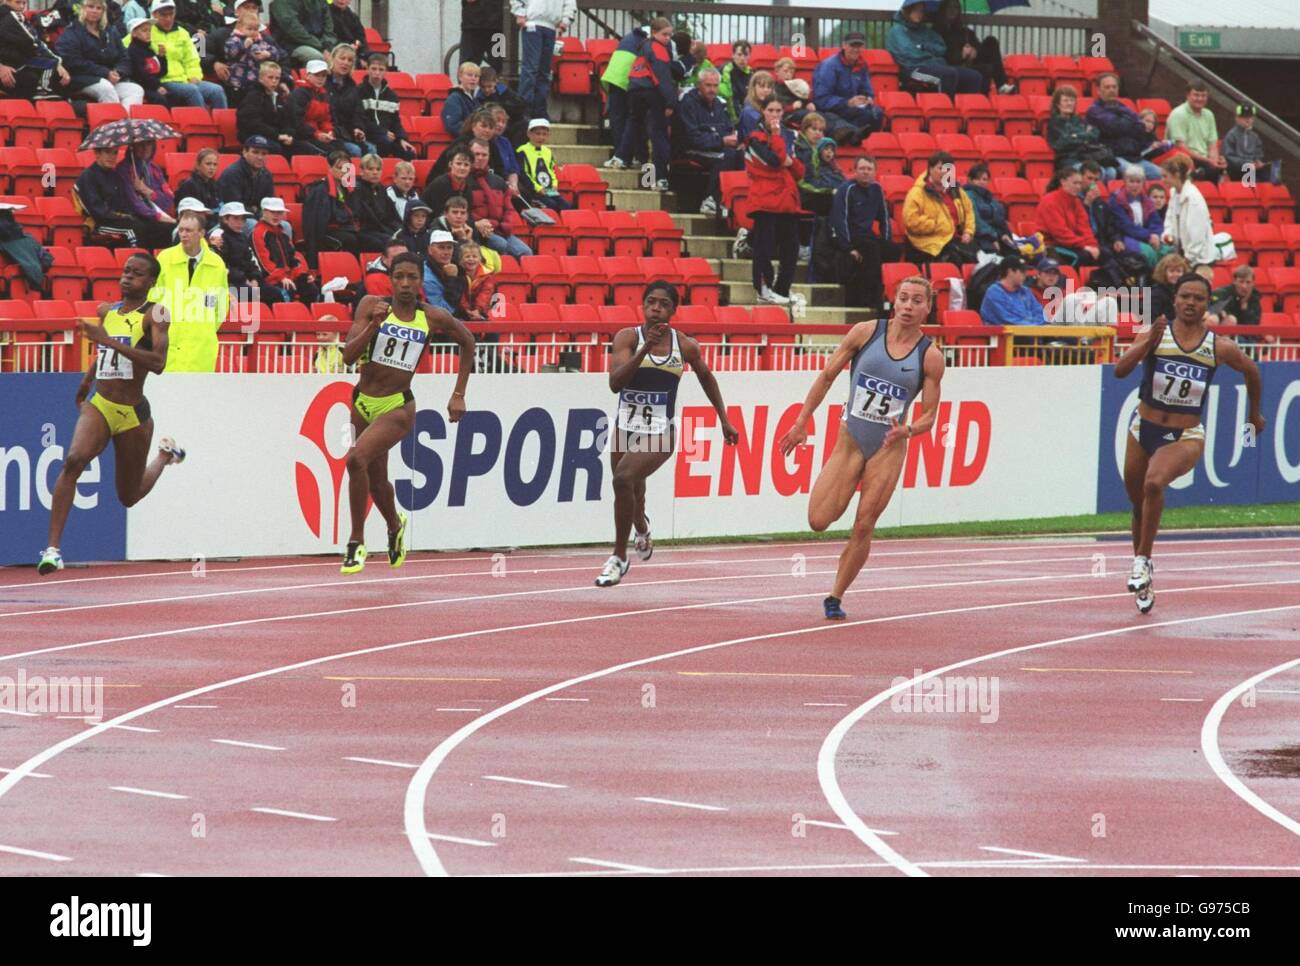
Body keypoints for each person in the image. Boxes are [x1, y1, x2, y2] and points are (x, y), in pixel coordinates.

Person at [778, 275, 945, 620]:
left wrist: (909, 430)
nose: (909, 306)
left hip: (888, 447)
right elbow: (826, 376)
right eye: (903, 298)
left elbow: (931, 415)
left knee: (864, 523)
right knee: (819, 520)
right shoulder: (866, 332)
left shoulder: (930, 356)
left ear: (928, 308)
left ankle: (835, 596)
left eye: (917, 301)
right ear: (893, 301)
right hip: (851, 439)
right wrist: (801, 421)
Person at [1113, 273, 1263, 613]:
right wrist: (1146, 342)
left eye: (1198, 297)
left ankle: (1143, 562)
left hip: (1185, 435)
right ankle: (1144, 577)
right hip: (1142, 429)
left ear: (1207, 303)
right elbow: (1120, 371)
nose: (1191, 303)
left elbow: (1251, 370)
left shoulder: (1217, 346)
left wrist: (1255, 415)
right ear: (1175, 300)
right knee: (1138, 505)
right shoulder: (1155, 334)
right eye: (1185, 296)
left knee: (1154, 483)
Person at [37, 253, 184, 576]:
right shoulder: (108, 311)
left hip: (133, 413)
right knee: (74, 459)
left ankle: (163, 455)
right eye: (126, 270)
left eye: (137, 273)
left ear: (151, 282)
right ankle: (52, 550)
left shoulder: (156, 314)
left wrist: (109, 343)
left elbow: (158, 363)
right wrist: (87, 380)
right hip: (101, 403)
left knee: (128, 497)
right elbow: (104, 351)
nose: (128, 276)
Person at [338, 253, 475, 574]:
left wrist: (458, 394)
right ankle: (394, 526)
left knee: (355, 460)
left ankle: (356, 543)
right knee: (376, 479)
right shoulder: (370, 304)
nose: (405, 284)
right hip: (361, 402)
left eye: (412, 277)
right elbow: (347, 357)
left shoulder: (432, 317)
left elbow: (468, 341)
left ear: (420, 280)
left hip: (398, 406)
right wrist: (374, 324)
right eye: (399, 276)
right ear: (390, 278)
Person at [597, 281, 738, 586]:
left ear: (673, 310)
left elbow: (706, 377)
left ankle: (618, 558)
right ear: (643, 306)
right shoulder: (627, 337)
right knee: (633, 492)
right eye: (650, 302)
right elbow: (615, 383)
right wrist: (644, 349)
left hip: (661, 431)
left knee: (623, 478)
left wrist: (723, 419)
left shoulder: (685, 345)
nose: (656, 308)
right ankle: (641, 527)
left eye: (663, 304)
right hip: (625, 427)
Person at [152, 209, 229, 372]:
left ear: (201, 233)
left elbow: (221, 306)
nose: (183, 234)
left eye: (189, 230)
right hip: (168, 344)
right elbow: (153, 298)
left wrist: (203, 329)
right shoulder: (165, 258)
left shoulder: (217, 264)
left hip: (202, 348)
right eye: (181, 230)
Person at [746, 96, 804, 306]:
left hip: (787, 201)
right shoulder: (755, 137)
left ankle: (781, 290)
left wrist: (787, 159)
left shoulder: (789, 136)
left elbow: (798, 170)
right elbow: (773, 161)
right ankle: (764, 289)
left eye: (779, 110)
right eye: (771, 110)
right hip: (765, 201)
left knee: (791, 248)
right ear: (763, 111)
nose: (775, 115)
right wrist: (780, 143)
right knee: (765, 247)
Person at [608, 16, 674, 191]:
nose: (668, 38)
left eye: (670, 35)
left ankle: (621, 156)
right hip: (651, 92)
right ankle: (659, 178)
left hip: (634, 89)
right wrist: (670, 102)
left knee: (634, 123)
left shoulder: (642, 46)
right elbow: (663, 77)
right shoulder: (659, 49)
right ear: (654, 33)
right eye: (665, 34)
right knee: (658, 134)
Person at [830, 155, 899, 308]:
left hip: (867, 235)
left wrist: (887, 240)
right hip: (852, 236)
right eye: (862, 169)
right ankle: (872, 298)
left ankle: (889, 294)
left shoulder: (877, 189)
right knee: (871, 250)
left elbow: (884, 217)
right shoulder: (847, 190)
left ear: (875, 172)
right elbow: (840, 220)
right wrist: (848, 248)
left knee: (893, 250)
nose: (865, 172)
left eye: (869, 169)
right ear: (854, 171)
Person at [75, 146, 175, 248]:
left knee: (163, 228)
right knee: (134, 230)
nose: (112, 157)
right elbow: (98, 211)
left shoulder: (115, 175)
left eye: (115, 153)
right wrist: (123, 217)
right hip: (100, 223)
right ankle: (135, 261)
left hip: (122, 220)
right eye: (107, 152)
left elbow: (124, 203)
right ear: (97, 154)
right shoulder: (88, 176)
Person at [677, 68, 740, 217]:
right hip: (690, 149)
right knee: (724, 157)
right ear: (699, 85)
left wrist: (731, 138)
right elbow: (692, 137)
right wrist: (721, 140)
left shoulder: (720, 104)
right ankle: (710, 199)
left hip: (715, 147)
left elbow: (728, 129)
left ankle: (731, 202)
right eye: (708, 85)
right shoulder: (688, 103)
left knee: (739, 154)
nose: (712, 90)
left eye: (715, 85)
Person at [55, 0, 142, 105]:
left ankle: (127, 121)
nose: (94, 11)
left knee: (135, 90)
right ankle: (113, 121)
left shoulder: (111, 31)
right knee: (106, 88)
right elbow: (73, 62)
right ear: (83, 9)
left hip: (109, 77)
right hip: (80, 78)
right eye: (90, 7)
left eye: (99, 8)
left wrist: (118, 71)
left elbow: (124, 57)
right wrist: (105, 72)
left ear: (103, 12)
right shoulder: (71, 32)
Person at [886, 0, 981, 96]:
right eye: (916, 10)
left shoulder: (924, 31)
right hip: (913, 69)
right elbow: (910, 54)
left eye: (921, 11)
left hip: (934, 65)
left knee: (974, 76)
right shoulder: (898, 31)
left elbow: (941, 48)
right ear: (907, 10)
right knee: (947, 74)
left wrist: (923, 47)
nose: (919, 14)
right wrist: (929, 53)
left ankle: (966, 108)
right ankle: (945, 108)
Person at [902, 150, 976, 265]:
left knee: (980, 260)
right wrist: (938, 225)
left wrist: (968, 232)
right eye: (940, 168)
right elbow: (911, 222)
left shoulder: (956, 190)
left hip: (955, 240)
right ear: (930, 169)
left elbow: (969, 211)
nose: (944, 172)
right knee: (956, 260)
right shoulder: (917, 193)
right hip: (930, 243)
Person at [148, 0, 227, 108]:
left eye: (171, 14)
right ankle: (202, 123)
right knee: (192, 90)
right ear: (154, 14)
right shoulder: (146, 31)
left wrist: (194, 76)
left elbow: (192, 60)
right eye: (163, 15)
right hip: (163, 80)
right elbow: (127, 45)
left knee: (217, 90)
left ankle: (222, 124)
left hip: (185, 79)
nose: (168, 18)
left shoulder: (183, 33)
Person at [1086, 73, 1161, 180]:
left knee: (1158, 174)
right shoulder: (1094, 110)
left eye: (1114, 87)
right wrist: (1130, 124)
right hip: (1113, 157)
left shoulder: (1123, 107)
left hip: (1133, 156)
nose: (1111, 90)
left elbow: (1140, 127)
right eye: (1107, 87)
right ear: (1098, 90)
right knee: (1135, 175)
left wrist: (1128, 125)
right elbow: (1115, 127)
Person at [812, 31, 884, 140]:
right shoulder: (829, 66)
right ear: (844, 45)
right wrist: (847, 102)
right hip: (831, 111)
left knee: (876, 113)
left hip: (853, 109)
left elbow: (867, 91)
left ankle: (856, 138)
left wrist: (867, 99)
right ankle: (852, 137)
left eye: (859, 46)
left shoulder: (862, 65)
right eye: (852, 45)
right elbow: (821, 99)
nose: (855, 49)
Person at [511, 0, 574, 121]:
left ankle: (538, 110)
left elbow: (570, 2)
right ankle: (524, 110)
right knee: (531, 69)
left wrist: (565, 19)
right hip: (533, 23)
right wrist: (520, 12)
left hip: (549, 27)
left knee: (543, 71)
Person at [467, 138, 530, 257]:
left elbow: (509, 209)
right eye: (477, 154)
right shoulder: (463, 180)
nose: (480, 158)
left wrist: (505, 226)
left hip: (500, 230)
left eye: (484, 155)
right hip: (478, 230)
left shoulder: (498, 181)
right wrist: (476, 223)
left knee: (526, 252)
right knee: (500, 245)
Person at [931, 0, 1010, 94]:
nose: (953, 10)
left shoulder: (965, 32)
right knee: (985, 69)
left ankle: (1002, 86)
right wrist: (961, 55)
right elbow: (943, 55)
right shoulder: (937, 32)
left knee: (991, 41)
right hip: (953, 66)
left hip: (971, 63)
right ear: (944, 9)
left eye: (956, 7)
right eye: (949, 7)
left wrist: (974, 51)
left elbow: (978, 46)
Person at [0, 0, 72, 100]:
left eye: (24, 3)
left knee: (59, 73)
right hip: (11, 66)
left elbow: (34, 42)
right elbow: (33, 42)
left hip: (14, 64)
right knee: (32, 78)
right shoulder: (12, 16)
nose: (21, 7)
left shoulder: (15, 16)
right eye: (18, 2)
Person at [252, 194, 318, 303]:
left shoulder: (283, 235)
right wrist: (281, 277)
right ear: (264, 212)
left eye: (280, 213)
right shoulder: (258, 233)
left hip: (287, 276)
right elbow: (264, 262)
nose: (276, 216)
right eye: (272, 212)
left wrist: (302, 274)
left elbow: (293, 258)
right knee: (286, 292)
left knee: (311, 288)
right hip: (269, 279)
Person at [599, 23, 650, 155]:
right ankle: (632, 155)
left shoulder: (630, 37)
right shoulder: (649, 42)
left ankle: (619, 155)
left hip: (613, 79)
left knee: (618, 120)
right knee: (633, 119)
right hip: (629, 81)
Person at [223, 0, 288, 104]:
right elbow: (231, 54)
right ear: (239, 27)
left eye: (255, 29)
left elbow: (277, 53)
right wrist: (244, 47)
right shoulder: (234, 39)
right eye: (249, 29)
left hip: (257, 83)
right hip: (239, 84)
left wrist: (268, 54)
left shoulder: (260, 41)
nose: (253, 32)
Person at [1034, 165, 1099, 267]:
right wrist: (1085, 246)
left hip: (1071, 244)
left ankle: (1095, 282)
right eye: (1075, 183)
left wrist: (1092, 245)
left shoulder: (1076, 202)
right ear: (1063, 182)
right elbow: (1060, 233)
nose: (1078, 187)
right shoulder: (1050, 201)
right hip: (1051, 245)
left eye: (1080, 183)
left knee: (1105, 254)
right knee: (1082, 257)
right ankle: (1071, 283)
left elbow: (1085, 227)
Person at [1106, 164, 1170, 267]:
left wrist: (1155, 235)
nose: (1135, 185)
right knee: (1149, 253)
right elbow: (1126, 226)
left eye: (1138, 182)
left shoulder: (1146, 200)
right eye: (1131, 181)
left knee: (1168, 250)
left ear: (1143, 183)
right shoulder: (1116, 200)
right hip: (1125, 236)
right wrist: (1149, 235)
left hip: (1147, 235)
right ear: (1125, 181)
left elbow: (1156, 221)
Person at [290, 58, 356, 156]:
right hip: (303, 137)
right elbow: (297, 122)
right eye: (317, 75)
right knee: (333, 155)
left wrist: (329, 132)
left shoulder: (324, 95)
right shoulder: (299, 93)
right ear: (308, 75)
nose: (321, 78)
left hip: (319, 136)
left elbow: (327, 120)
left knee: (344, 151)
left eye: (324, 75)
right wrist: (316, 134)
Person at [1160, 153, 1215, 271]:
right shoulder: (1174, 193)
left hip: (1199, 260)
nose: (1162, 180)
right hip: (1182, 254)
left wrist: (1186, 260)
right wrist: (1168, 235)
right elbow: (1169, 219)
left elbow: (1197, 236)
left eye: (1165, 176)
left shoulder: (1193, 199)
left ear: (1177, 175)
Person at [1046, 84, 1112, 178]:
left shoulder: (1079, 120)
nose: (1069, 103)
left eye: (1072, 100)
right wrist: (1084, 135)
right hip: (1068, 160)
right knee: (1096, 173)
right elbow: (1063, 143)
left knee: (1111, 171)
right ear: (1058, 104)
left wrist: (1075, 136)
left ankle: (1099, 191)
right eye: (1065, 100)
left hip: (1086, 157)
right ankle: (1088, 191)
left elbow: (1095, 134)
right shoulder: (1055, 123)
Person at [1165, 82, 1226, 183]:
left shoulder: (1209, 115)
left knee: (1225, 166)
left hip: (1204, 159)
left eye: (1203, 96)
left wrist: (1214, 160)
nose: (1200, 99)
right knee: (1212, 170)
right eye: (1196, 95)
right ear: (1188, 95)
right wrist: (1208, 161)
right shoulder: (1178, 114)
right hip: (1185, 158)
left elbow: (1212, 145)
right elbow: (1180, 146)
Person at [359, 53, 414, 160]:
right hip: (368, 134)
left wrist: (402, 139)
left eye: (381, 69)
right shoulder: (359, 91)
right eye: (373, 69)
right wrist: (382, 131)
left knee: (408, 153)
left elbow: (396, 121)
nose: (377, 73)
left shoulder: (392, 96)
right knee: (384, 143)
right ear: (367, 69)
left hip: (387, 136)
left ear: (386, 71)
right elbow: (361, 119)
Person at [236, 60, 298, 155]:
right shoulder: (253, 96)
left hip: (275, 137)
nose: (274, 81)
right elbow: (252, 124)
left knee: (303, 147)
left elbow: (288, 120)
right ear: (260, 78)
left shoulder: (279, 96)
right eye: (270, 77)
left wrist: (289, 135)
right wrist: (277, 136)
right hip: (253, 137)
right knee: (276, 148)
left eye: (277, 78)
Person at [516, 116, 574, 212]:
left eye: (544, 134)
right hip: (534, 191)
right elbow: (523, 174)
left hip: (549, 190)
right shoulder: (522, 150)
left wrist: (555, 184)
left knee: (567, 206)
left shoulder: (547, 151)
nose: (541, 137)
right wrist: (538, 188)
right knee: (552, 206)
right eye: (537, 134)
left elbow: (551, 170)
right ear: (529, 134)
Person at [218, 135, 276, 228]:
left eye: (264, 154)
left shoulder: (266, 174)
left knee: (284, 225)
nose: (260, 157)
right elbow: (235, 207)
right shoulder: (232, 174)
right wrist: (256, 211)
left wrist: (262, 214)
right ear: (244, 152)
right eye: (255, 152)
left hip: (257, 216)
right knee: (252, 224)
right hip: (233, 218)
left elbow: (269, 204)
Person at [119, 138, 175, 229]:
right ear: (132, 147)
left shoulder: (154, 168)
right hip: (138, 219)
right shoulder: (124, 170)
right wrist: (158, 217)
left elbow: (169, 199)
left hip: (160, 215)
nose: (145, 148)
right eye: (140, 144)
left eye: (149, 143)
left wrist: (147, 191)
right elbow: (134, 204)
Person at [327, 43, 371, 157]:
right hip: (331, 133)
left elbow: (358, 113)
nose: (346, 63)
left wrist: (358, 128)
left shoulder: (353, 87)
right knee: (355, 150)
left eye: (350, 60)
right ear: (333, 59)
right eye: (342, 58)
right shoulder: (323, 82)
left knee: (372, 150)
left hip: (348, 134)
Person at [209, 201, 260, 294]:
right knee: (250, 295)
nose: (240, 222)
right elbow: (221, 265)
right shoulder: (218, 235)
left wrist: (254, 278)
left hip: (245, 280)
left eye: (243, 219)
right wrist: (244, 280)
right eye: (236, 218)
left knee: (273, 293)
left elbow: (250, 260)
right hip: (227, 283)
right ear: (225, 219)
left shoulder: (242, 236)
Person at [352, 153, 400, 250]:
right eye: (370, 169)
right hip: (365, 231)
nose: (375, 172)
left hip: (382, 230)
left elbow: (391, 215)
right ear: (361, 171)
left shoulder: (381, 189)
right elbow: (364, 219)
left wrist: (400, 230)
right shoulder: (356, 189)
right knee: (390, 243)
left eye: (378, 169)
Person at [1222, 103, 1280, 185]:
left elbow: (1258, 154)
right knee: (1254, 180)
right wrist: (1248, 163)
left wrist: (1258, 161)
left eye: (1250, 117)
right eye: (1244, 117)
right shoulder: (1231, 135)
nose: (1248, 119)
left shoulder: (1255, 137)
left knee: (1273, 181)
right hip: (1237, 170)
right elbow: (1229, 157)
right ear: (1237, 118)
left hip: (1253, 169)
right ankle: (1253, 196)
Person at [979, 256, 1047, 325]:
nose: (1025, 275)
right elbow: (1009, 320)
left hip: (1031, 332)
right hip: (1004, 334)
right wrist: (1036, 326)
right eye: (1022, 271)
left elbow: (1039, 312)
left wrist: (1040, 326)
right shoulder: (994, 292)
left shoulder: (1025, 291)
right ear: (1010, 272)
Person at [964, 162, 1012, 255]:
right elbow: (976, 221)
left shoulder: (989, 197)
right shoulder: (968, 195)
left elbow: (1000, 218)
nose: (982, 182)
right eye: (977, 179)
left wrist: (1003, 233)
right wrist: (994, 236)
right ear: (970, 180)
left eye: (985, 179)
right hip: (981, 238)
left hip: (997, 236)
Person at [1210, 264, 1265, 344]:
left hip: (1246, 338)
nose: (1244, 286)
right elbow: (1215, 307)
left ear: (1253, 283)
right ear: (1234, 281)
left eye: (1248, 282)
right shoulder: (1225, 293)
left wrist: (1244, 308)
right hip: (1224, 336)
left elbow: (1253, 325)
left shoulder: (1255, 299)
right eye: (1241, 282)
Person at [270, 0, 335, 67]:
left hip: (320, 42)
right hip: (293, 44)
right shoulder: (282, 3)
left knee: (341, 54)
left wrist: (327, 45)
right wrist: (321, 47)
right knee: (317, 58)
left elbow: (329, 28)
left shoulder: (321, 2)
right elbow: (294, 30)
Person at [122, 13, 167, 105]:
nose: (148, 34)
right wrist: (157, 86)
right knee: (160, 99)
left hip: (154, 85)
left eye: (149, 31)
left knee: (176, 95)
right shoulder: (133, 51)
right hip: (142, 87)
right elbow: (141, 75)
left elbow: (161, 72)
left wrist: (162, 57)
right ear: (134, 33)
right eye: (144, 31)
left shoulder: (149, 49)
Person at [422, 229, 463, 315]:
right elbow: (445, 311)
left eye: (449, 247)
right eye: (441, 247)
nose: (446, 252)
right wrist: (452, 279)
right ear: (430, 250)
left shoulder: (454, 267)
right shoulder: (427, 277)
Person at [175, 147, 223, 213]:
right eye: (208, 164)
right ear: (198, 165)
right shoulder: (189, 185)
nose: (212, 168)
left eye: (215, 164)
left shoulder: (213, 183)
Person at [457, 240, 496, 320]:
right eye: (467, 256)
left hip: (480, 311)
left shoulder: (487, 276)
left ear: (480, 259)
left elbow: (485, 294)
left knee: (491, 330)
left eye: (474, 256)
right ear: (461, 260)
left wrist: (478, 310)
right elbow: (459, 294)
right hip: (462, 312)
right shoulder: (458, 274)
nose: (471, 259)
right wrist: (466, 310)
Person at [460, 0, 504, 72]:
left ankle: (494, 82)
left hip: (498, 27)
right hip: (473, 26)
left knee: (499, 65)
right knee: (469, 66)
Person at [442, 61, 481, 135]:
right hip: (465, 141)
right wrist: (476, 131)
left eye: (476, 76)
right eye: (469, 75)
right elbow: (453, 125)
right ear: (460, 77)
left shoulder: (474, 99)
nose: (473, 78)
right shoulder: (454, 98)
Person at [736, 68, 774, 142]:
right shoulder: (748, 112)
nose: (766, 90)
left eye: (769, 87)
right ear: (753, 88)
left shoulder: (774, 108)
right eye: (762, 86)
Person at [1148, 253, 1188, 323]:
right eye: (1172, 271)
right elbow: (1151, 319)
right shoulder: (1156, 293)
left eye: (1178, 271)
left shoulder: (1185, 291)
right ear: (1164, 273)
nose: (1175, 274)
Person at [718, 39, 751, 125]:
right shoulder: (726, 70)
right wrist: (736, 121)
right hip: (727, 117)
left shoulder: (751, 73)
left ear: (750, 56)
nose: (742, 58)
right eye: (739, 54)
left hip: (744, 116)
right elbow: (730, 97)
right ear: (733, 55)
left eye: (745, 55)